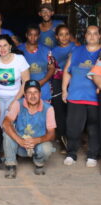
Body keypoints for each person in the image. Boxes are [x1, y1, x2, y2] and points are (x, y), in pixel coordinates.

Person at [62, 25, 101, 167]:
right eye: (89, 33)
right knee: (73, 127)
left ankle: (92, 155)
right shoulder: (76, 50)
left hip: (95, 97)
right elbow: (67, 70)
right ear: (84, 36)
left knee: (94, 127)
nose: (92, 36)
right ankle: (71, 153)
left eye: (95, 33)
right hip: (76, 95)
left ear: (99, 36)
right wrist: (64, 90)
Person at [2, 80, 56, 179]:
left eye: (35, 92)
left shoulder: (48, 108)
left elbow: (52, 134)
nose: (33, 95)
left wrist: (37, 140)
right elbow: (6, 122)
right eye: (29, 93)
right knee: (7, 132)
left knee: (47, 148)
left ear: (40, 94)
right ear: (25, 95)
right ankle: (11, 165)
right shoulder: (18, 104)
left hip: (36, 145)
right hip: (19, 144)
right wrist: (20, 140)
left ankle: (39, 163)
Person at [0, 34, 30, 126]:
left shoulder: (19, 59)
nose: (2, 49)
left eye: (5, 45)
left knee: (9, 124)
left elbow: (26, 82)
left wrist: (15, 100)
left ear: (10, 46)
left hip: (15, 96)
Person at [51, 25, 76, 153]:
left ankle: (73, 137)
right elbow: (51, 68)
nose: (64, 37)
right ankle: (61, 139)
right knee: (59, 110)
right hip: (57, 81)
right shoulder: (53, 51)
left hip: (73, 81)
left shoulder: (75, 48)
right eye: (61, 34)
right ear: (56, 37)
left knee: (72, 110)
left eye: (67, 34)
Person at [18, 25, 55, 101]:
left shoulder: (47, 50)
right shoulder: (18, 50)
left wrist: (42, 81)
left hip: (43, 89)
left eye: (35, 35)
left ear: (39, 36)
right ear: (26, 35)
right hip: (24, 89)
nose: (32, 37)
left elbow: (52, 68)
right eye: (30, 35)